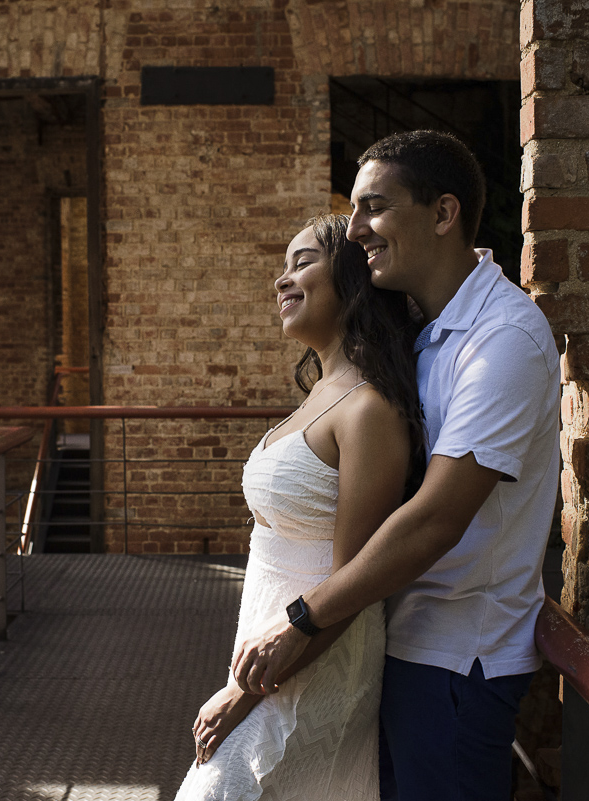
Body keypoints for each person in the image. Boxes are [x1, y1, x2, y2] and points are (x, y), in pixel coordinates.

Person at [231, 131, 561, 801]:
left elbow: (434, 519)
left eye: (374, 208)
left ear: (443, 214)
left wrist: (299, 621)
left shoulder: (503, 339)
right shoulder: (430, 331)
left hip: (456, 660)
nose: (354, 232)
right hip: (395, 646)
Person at [174, 214, 424, 801]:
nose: (282, 281)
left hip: (314, 666)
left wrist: (245, 694)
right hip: (271, 660)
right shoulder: (321, 391)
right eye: (283, 267)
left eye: (302, 262)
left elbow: (354, 578)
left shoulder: (368, 410)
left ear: (351, 278)